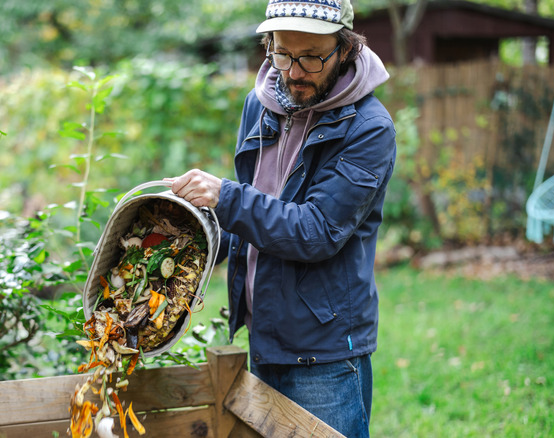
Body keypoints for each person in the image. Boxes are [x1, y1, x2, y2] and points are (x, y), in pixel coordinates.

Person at [167, 0, 396, 436]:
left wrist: (225, 196)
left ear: (345, 49)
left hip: (323, 353)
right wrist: (184, 242)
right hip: (265, 333)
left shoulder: (369, 128)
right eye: (282, 53)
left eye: (311, 57)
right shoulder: (261, 105)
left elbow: (316, 231)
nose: (292, 72)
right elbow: (255, 220)